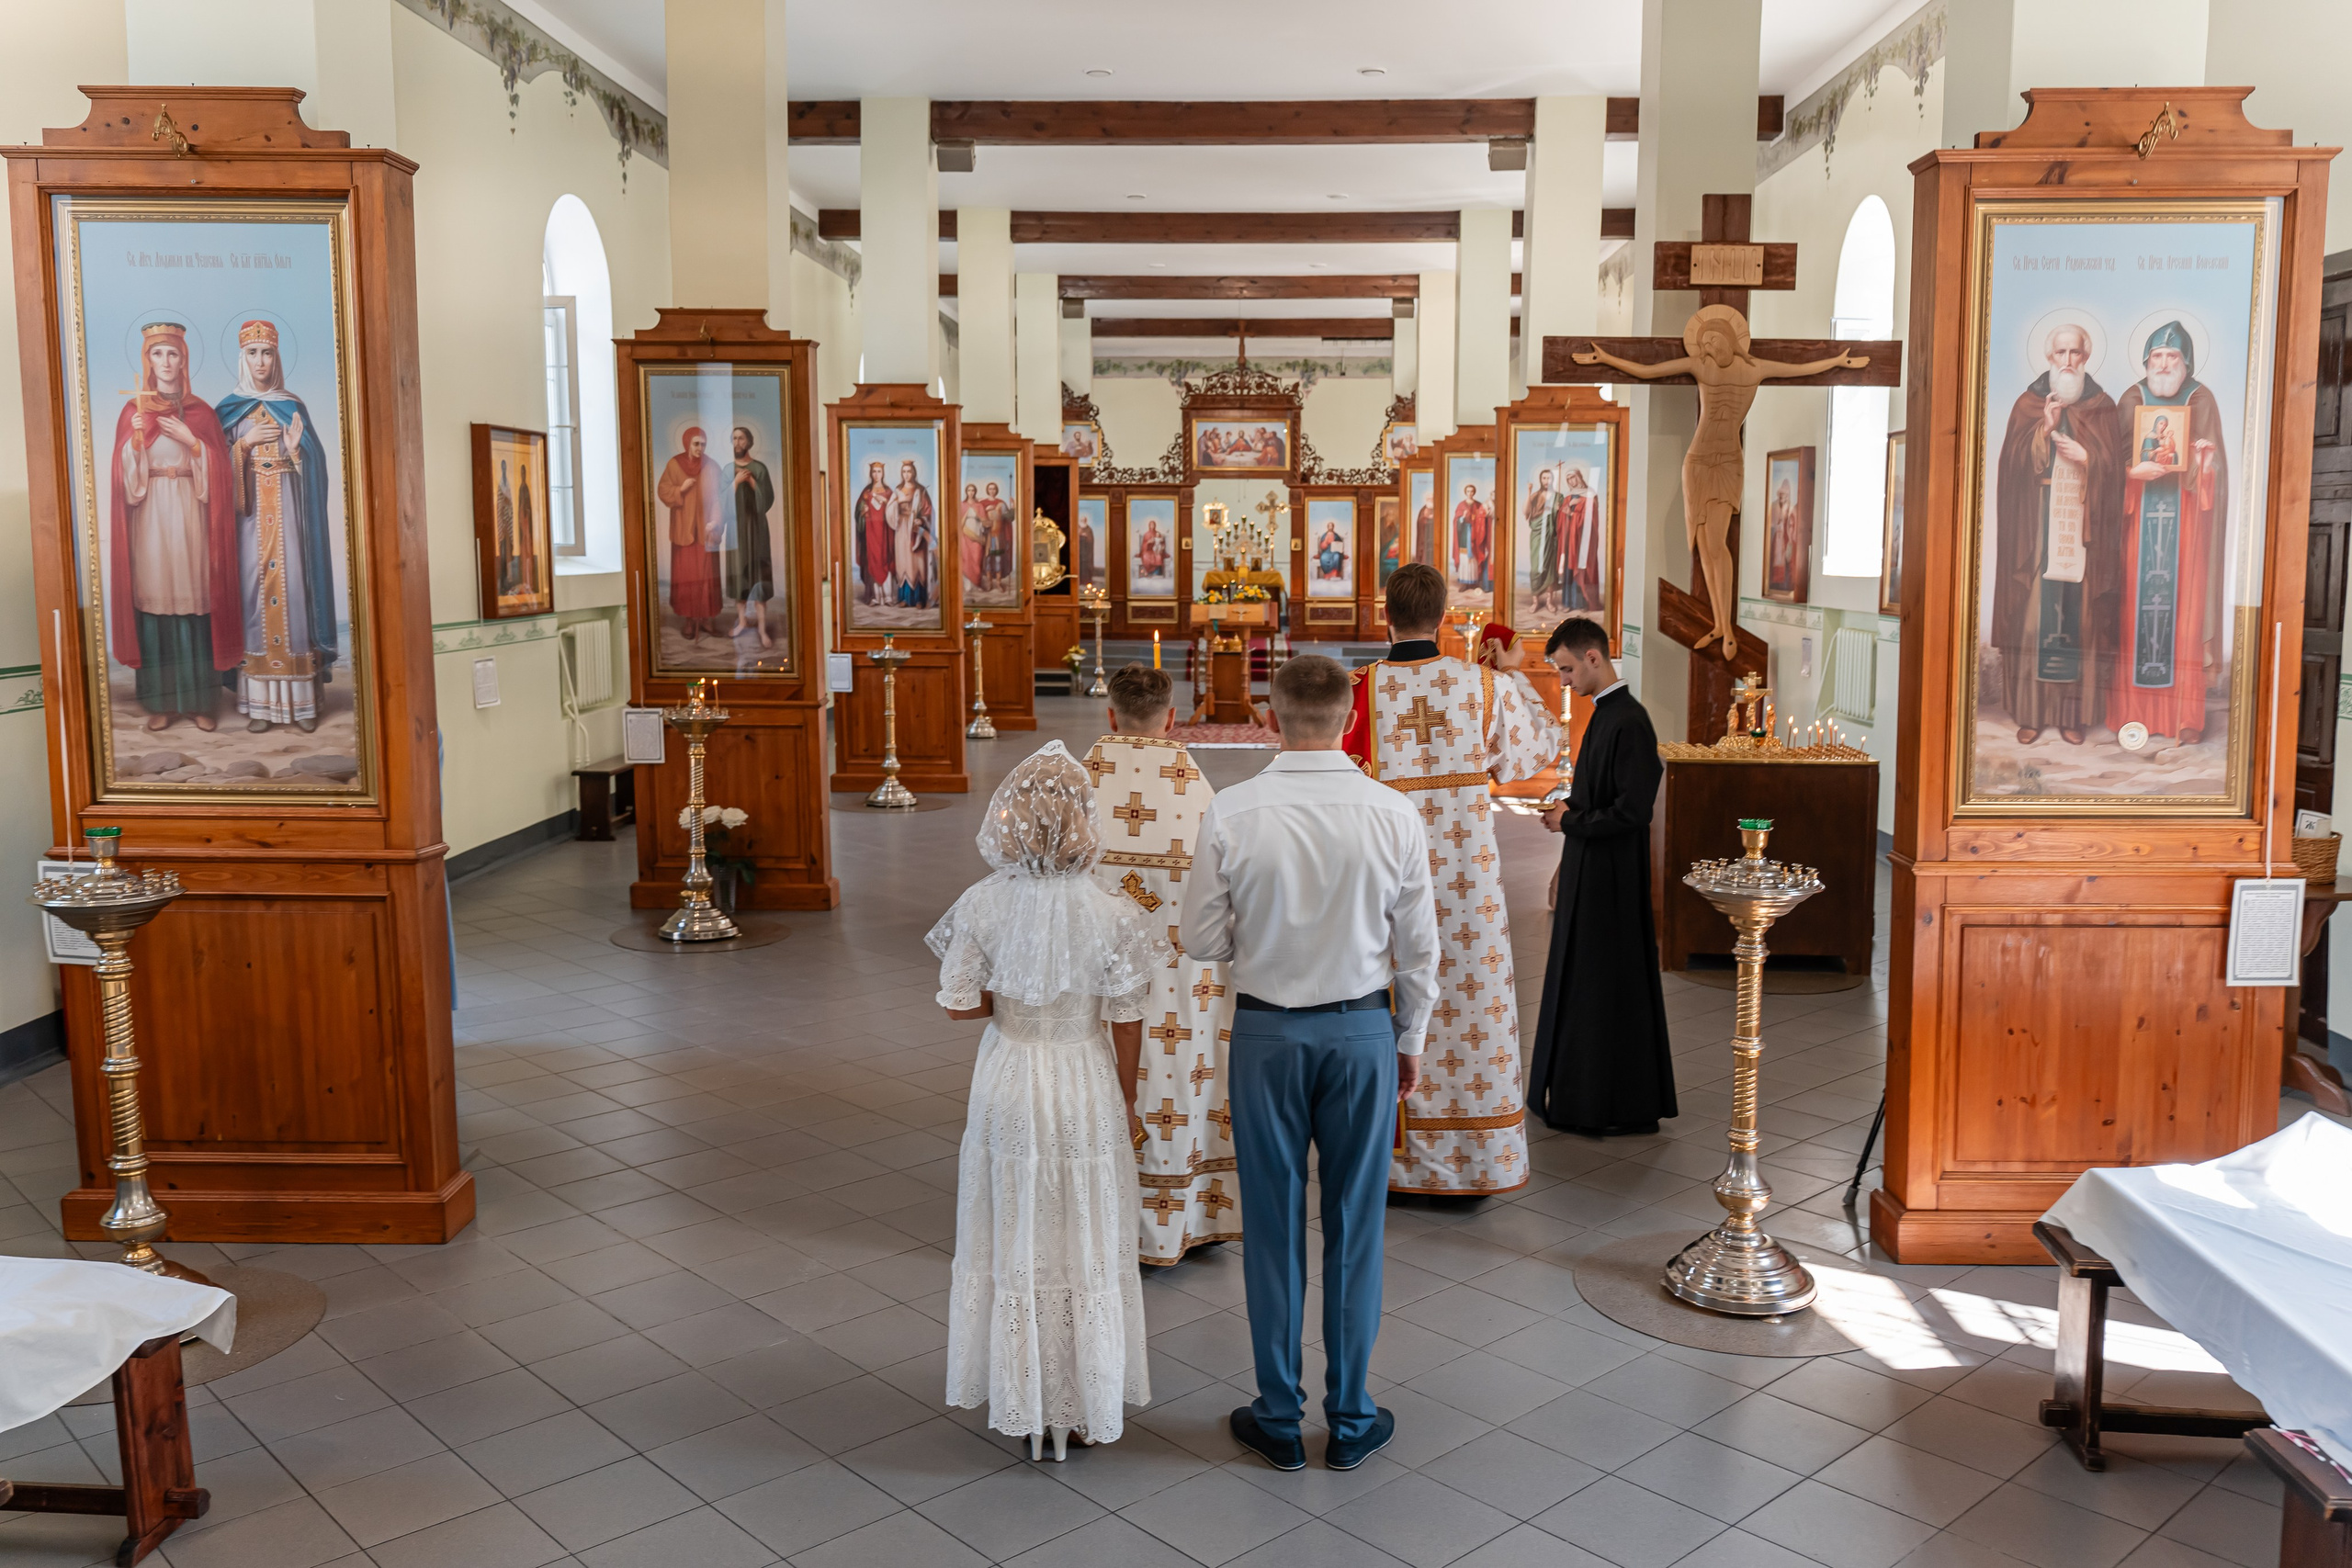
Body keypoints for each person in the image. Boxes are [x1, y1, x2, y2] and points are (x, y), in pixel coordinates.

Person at [1183, 654, 1438, 1473]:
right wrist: (1410, 1039)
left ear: (1271, 713)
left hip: (1266, 1034)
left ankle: (1280, 1416)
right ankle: (1354, 1417)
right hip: (1364, 1032)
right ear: (1351, 714)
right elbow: (1421, 950)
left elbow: (1197, 937)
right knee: (1358, 1225)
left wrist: (1256, 941)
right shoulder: (1393, 812)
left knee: (1272, 1224)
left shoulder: (1233, 810)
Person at [931, 741, 1159, 1461]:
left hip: (1009, 1076)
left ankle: (1022, 1396)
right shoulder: (1114, 910)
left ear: (1011, 822)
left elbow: (958, 1008)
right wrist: (1127, 1102)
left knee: (1016, 1227)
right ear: (1086, 825)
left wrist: (1014, 994)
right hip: (1084, 1076)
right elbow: (1128, 1018)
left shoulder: (982, 902)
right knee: (1082, 1229)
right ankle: (1084, 1404)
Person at [1339, 564, 1559, 1192]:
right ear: (1441, 618)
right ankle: (1475, 1158)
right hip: (1467, 879)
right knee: (1469, 998)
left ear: (1387, 614)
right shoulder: (1480, 686)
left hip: (1382, 876)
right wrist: (1512, 672)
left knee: (1385, 993)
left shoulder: (1363, 691)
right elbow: (1536, 749)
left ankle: (1391, 1160)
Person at [1084, 666, 1242, 1267]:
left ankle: (1097, 1218)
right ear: (1172, 718)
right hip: (1180, 988)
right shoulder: (1196, 791)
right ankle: (1186, 1211)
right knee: (1179, 1077)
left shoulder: (1077, 785)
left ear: (1110, 715)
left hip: (1096, 984)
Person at [1524, 615, 1677, 1135]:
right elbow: (1600, 794)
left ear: (1593, 658)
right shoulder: (1606, 713)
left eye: (1567, 669)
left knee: (1603, 988)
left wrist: (1572, 820)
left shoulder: (1629, 720)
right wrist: (1569, 808)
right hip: (1592, 870)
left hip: (1612, 880)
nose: (1564, 681)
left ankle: (1607, 1102)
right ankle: (1577, 1097)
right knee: (1584, 982)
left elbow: (1633, 811)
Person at [1992, 321, 2124, 745]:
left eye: (2076, 354)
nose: (2067, 361)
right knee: (2034, 623)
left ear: (2086, 357)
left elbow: (2117, 475)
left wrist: (2090, 458)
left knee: (2078, 624)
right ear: (2048, 358)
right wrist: (2043, 432)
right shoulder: (2028, 404)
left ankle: (2072, 717)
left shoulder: (2103, 406)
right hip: (2038, 532)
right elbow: (2010, 470)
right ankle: (2032, 713)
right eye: (2060, 354)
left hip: (2080, 532)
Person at [107, 321, 239, 733]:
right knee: (155, 606)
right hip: (150, 520)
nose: (165, 362)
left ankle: (200, 703)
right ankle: (161, 704)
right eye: (157, 354)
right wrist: (134, 445)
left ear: (185, 359)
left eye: (173, 353)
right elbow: (123, 485)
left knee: (194, 603)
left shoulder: (200, 413)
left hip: (190, 517)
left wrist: (194, 442)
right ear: (147, 360)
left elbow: (221, 475)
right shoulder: (133, 412)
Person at [2109, 321, 2229, 747]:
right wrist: (2131, 472)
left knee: (2184, 615)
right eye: (2156, 357)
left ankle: (2184, 719)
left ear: (2186, 362)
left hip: (2187, 530)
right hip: (2137, 521)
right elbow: (2111, 463)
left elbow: (2212, 471)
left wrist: (2203, 461)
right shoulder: (2131, 398)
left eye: (2172, 357)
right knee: (2133, 618)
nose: (2163, 364)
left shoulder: (2201, 398)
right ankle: (2132, 715)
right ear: (2146, 362)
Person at [218, 319, 336, 732]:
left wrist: (296, 453)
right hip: (248, 525)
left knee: (293, 598)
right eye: (253, 353)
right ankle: (262, 706)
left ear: (277, 356)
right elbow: (214, 475)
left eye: (267, 352)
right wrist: (243, 445)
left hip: (288, 520)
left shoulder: (292, 406)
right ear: (242, 358)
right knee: (254, 601)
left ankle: (300, 704)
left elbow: (317, 468)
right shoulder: (230, 411)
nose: (261, 361)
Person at [656, 427, 726, 641]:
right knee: (687, 577)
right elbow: (663, 490)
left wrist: (715, 522)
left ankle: (705, 619)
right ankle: (688, 619)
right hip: (684, 532)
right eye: (696, 444)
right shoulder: (674, 465)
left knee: (706, 579)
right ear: (687, 443)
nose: (699, 448)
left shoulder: (712, 466)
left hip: (705, 533)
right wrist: (681, 489)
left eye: (703, 444)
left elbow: (719, 498)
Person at [725, 427, 775, 649]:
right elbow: (720, 502)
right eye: (734, 438)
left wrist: (753, 483)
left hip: (757, 531)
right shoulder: (728, 470)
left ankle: (763, 629)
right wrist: (735, 482)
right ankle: (743, 622)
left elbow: (767, 502)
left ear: (749, 442)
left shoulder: (760, 468)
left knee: (759, 579)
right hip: (736, 532)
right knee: (739, 578)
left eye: (741, 438)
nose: (737, 442)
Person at [1560, 467, 1601, 614]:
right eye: (1568, 479)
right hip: (1570, 540)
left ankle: (1584, 602)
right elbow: (1562, 518)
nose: (1571, 481)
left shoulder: (1590, 495)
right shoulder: (1568, 497)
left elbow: (1591, 519)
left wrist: (1572, 512)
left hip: (1585, 540)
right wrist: (1566, 512)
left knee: (1584, 568)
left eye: (1573, 477)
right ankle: (1569, 602)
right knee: (1570, 568)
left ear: (1579, 476)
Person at [854, 460, 894, 606]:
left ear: (883, 473)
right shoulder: (866, 493)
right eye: (874, 471)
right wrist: (862, 512)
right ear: (871, 474)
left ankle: (888, 596)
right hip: (870, 535)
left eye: (879, 471)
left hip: (885, 533)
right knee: (872, 560)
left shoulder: (889, 492)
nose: (876, 474)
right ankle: (875, 597)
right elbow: (858, 511)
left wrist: (886, 503)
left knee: (885, 559)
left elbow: (894, 510)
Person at [1524, 466, 1563, 614]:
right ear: (1540, 480)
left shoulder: (1558, 497)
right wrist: (1528, 492)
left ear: (1553, 479)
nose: (1547, 481)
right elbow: (1526, 511)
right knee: (1536, 569)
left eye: (1549, 478)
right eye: (1544, 478)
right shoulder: (1535, 495)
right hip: (1538, 535)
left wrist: (1559, 510)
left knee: (1550, 570)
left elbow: (1563, 519)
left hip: (1552, 537)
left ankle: (1549, 601)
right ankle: (1535, 601)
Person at [1452, 482, 1491, 594]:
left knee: (1474, 556)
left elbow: (1484, 518)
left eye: (1472, 491)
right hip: (1464, 535)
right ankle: (1465, 582)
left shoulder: (1479, 505)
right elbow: (1456, 522)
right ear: (1466, 492)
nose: (1470, 493)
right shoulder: (1461, 505)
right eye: (1468, 491)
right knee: (1465, 557)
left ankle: (1474, 582)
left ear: (1474, 492)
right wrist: (1462, 518)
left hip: (1477, 535)